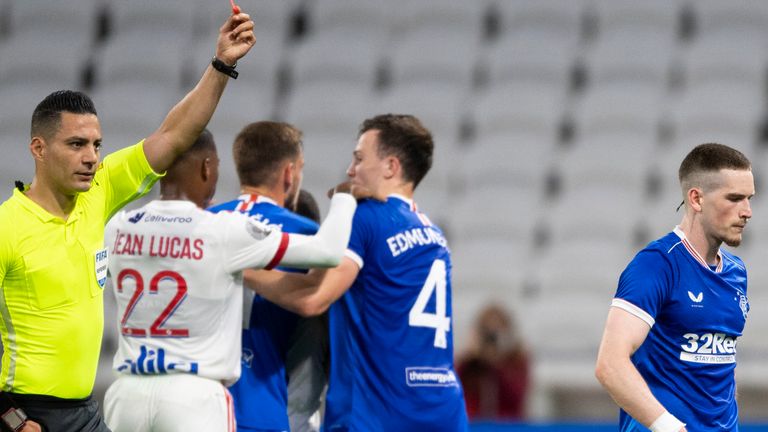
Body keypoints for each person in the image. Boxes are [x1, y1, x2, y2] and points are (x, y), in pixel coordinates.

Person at [0, 10, 256, 432]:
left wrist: (222, 65)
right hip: (28, 417)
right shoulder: (8, 227)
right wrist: (10, 417)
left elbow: (174, 136)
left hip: (84, 412)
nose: (91, 157)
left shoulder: (98, 192)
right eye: (76, 144)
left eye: (97, 145)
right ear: (38, 149)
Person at [103, 129, 364, 431]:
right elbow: (327, 253)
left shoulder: (118, 227)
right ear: (207, 167)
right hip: (201, 395)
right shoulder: (222, 230)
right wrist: (346, 199)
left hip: (126, 394)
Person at [245, 114, 469, 431]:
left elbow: (312, 297)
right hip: (444, 410)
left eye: (359, 158)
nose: (351, 171)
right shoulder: (433, 233)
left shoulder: (365, 217)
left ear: (391, 167)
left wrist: (238, 268)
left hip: (378, 413)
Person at [595, 143, 754, 431]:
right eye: (735, 198)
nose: (747, 211)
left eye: (749, 199)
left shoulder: (736, 272)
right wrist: (668, 426)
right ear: (696, 199)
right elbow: (610, 364)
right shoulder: (656, 265)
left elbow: (722, 368)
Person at [206, 122, 326, 432]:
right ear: (289, 173)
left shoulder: (200, 225)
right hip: (262, 412)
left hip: (197, 409)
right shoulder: (308, 238)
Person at [456, 304, 530, 420]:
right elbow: (454, 389)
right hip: (474, 424)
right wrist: (469, 356)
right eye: (487, 333)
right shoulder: (470, 363)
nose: (491, 339)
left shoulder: (517, 360)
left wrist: (499, 361)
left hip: (507, 425)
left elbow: (517, 396)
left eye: (496, 332)